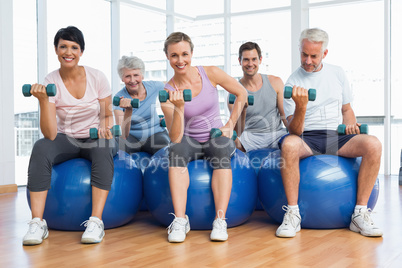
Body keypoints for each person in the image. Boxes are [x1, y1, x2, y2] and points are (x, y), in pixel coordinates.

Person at [276, 28, 383, 238]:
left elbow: (346, 110)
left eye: (313, 56)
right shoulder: (292, 82)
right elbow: (294, 130)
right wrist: (301, 107)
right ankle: (293, 214)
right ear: (299, 50)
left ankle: (359, 214)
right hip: (306, 138)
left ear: (324, 54)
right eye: (304, 54)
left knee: (374, 144)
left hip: (335, 136)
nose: (307, 60)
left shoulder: (337, 73)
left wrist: (350, 127)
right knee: (288, 144)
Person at [23, 26, 118, 246]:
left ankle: (96, 221)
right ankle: (37, 223)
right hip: (66, 138)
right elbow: (50, 133)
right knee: (40, 146)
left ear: (81, 51)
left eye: (74, 47)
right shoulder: (50, 81)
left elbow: (106, 115)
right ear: (56, 50)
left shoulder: (97, 77)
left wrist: (105, 128)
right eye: (63, 46)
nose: (69, 52)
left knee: (104, 146)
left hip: (95, 137)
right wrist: (43, 101)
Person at [161, 32, 247, 243]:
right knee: (176, 151)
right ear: (167, 57)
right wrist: (179, 107)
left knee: (220, 149)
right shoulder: (168, 91)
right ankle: (181, 220)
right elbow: (175, 136)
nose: (180, 60)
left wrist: (229, 125)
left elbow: (242, 93)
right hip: (187, 139)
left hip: (215, 135)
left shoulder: (211, 73)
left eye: (184, 54)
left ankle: (220, 220)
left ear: (191, 53)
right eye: (174, 55)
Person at [228, 42, 288, 152]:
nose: (250, 64)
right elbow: (238, 130)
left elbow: (285, 117)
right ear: (239, 61)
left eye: (254, 59)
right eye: (246, 59)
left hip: (276, 134)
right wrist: (244, 109)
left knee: (294, 140)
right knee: (232, 142)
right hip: (250, 137)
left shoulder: (276, 82)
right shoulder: (234, 91)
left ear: (260, 60)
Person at [113, 56, 170, 155]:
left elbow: (174, 88)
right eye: (127, 76)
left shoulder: (155, 86)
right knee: (118, 146)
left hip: (155, 133)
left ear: (142, 76)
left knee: (166, 149)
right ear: (122, 78)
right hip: (131, 137)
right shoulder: (119, 99)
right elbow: (123, 134)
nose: (132, 80)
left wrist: (170, 115)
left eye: (136, 75)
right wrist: (128, 110)